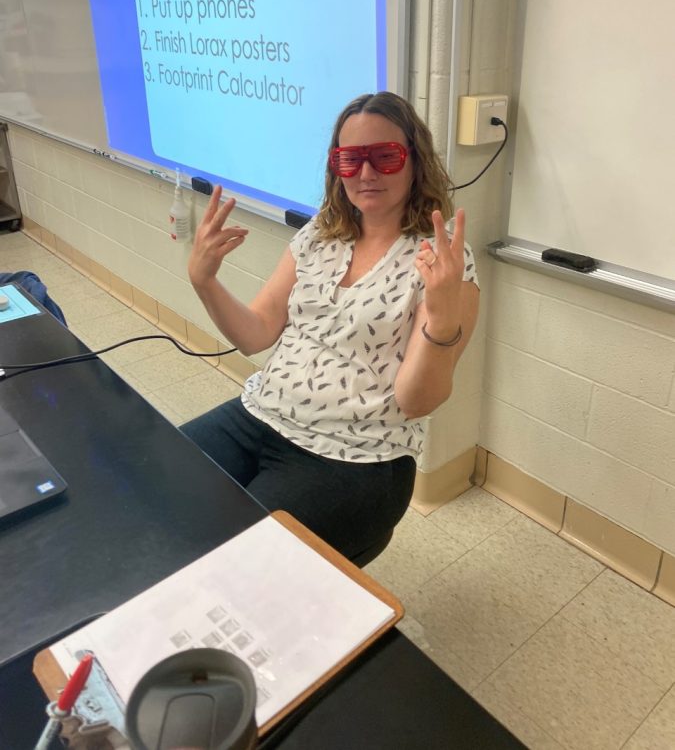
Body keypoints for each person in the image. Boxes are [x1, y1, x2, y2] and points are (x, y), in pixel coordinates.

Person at [182, 91, 480, 563]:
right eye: (350, 159)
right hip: (261, 414)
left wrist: (442, 324)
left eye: (385, 156)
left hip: (353, 454)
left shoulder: (442, 261)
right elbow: (257, 332)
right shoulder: (322, 231)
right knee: (156, 488)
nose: (366, 174)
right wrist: (205, 282)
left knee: (233, 561)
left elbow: (414, 402)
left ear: (414, 160)